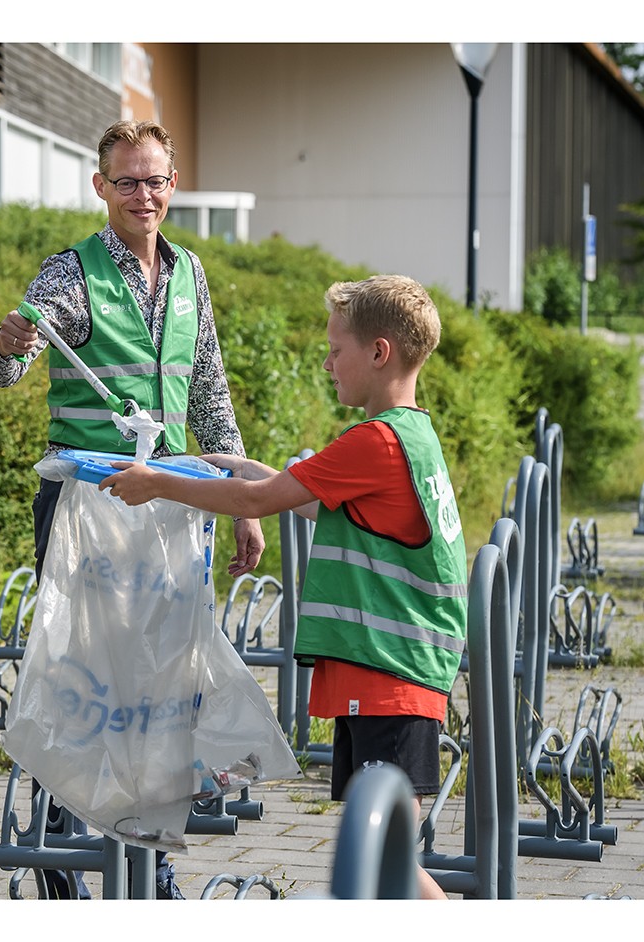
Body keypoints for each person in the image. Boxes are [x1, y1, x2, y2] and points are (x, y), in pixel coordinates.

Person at [101, 274, 467, 900]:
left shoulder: (375, 441)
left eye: (335, 349)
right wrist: (243, 468)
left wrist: (156, 483)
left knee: (382, 852)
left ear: (379, 353)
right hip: (395, 675)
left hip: (388, 678)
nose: (327, 363)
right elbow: (305, 499)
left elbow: (262, 500)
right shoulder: (412, 436)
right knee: (382, 857)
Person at [0, 118, 266, 900]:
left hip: (174, 506)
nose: (145, 195)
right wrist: (6, 345)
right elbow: (0, 369)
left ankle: (150, 865)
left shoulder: (190, 274)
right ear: (101, 187)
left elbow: (210, 391)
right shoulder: (70, 274)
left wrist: (242, 499)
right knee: (82, 685)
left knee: (163, 690)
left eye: (157, 180)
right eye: (128, 181)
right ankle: (59, 860)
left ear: (174, 185)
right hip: (88, 511)